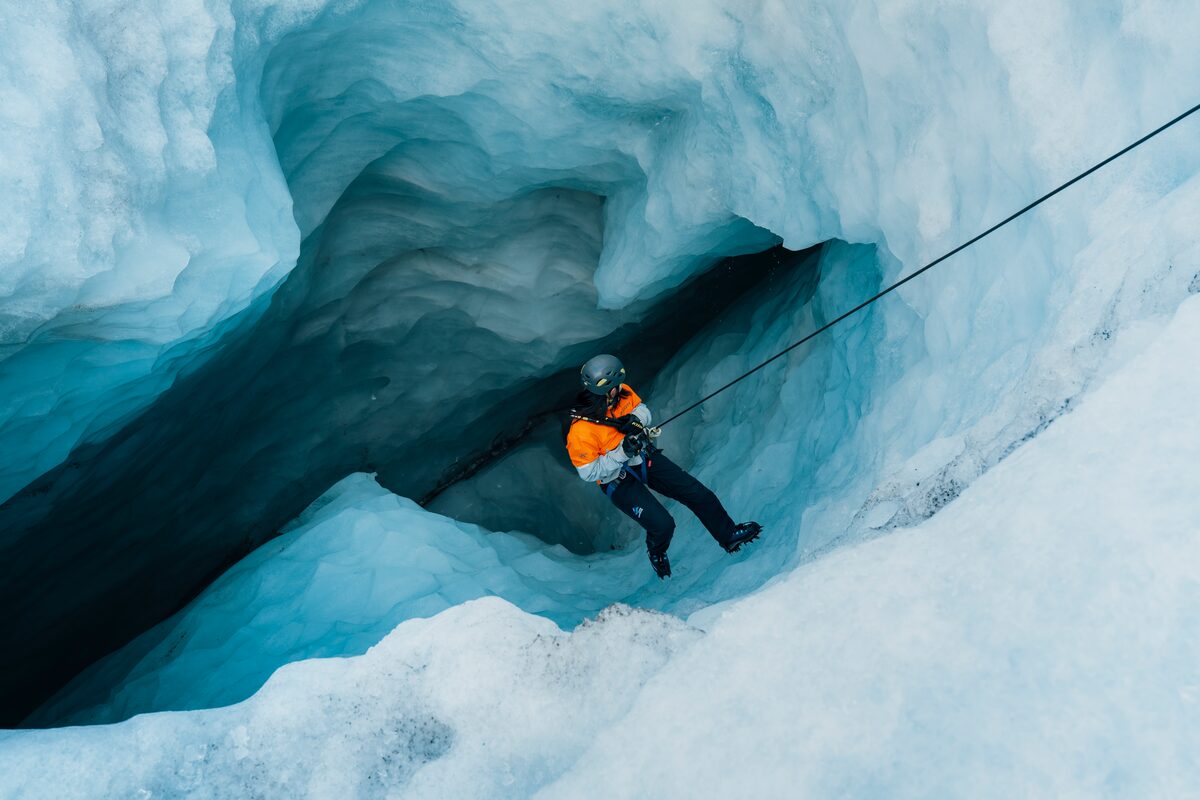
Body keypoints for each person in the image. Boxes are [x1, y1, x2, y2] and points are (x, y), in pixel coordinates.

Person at [565, 354, 762, 578]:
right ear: (605, 389)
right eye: (616, 384)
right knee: (663, 525)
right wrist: (622, 452)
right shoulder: (581, 432)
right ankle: (656, 551)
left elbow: (642, 411)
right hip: (616, 480)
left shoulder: (623, 393)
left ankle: (728, 535)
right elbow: (590, 472)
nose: (621, 387)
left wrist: (635, 420)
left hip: (642, 457)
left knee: (698, 495)